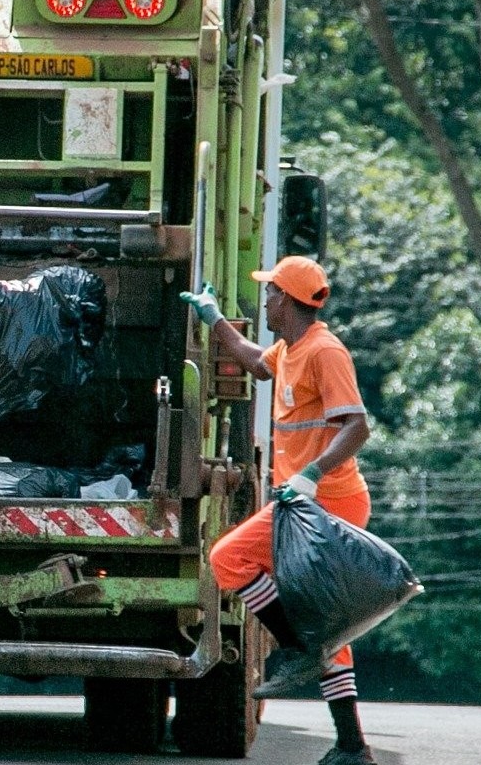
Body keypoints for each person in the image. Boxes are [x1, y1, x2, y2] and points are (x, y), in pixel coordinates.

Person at [179, 255, 377, 765]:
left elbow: (357, 426)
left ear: (287, 300)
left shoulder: (325, 352)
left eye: (270, 293)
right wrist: (213, 317)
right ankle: (351, 745)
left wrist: (311, 475)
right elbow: (252, 360)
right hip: (307, 505)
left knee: (227, 559)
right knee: (328, 626)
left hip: (326, 503)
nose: (264, 300)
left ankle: (294, 648)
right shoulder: (292, 348)